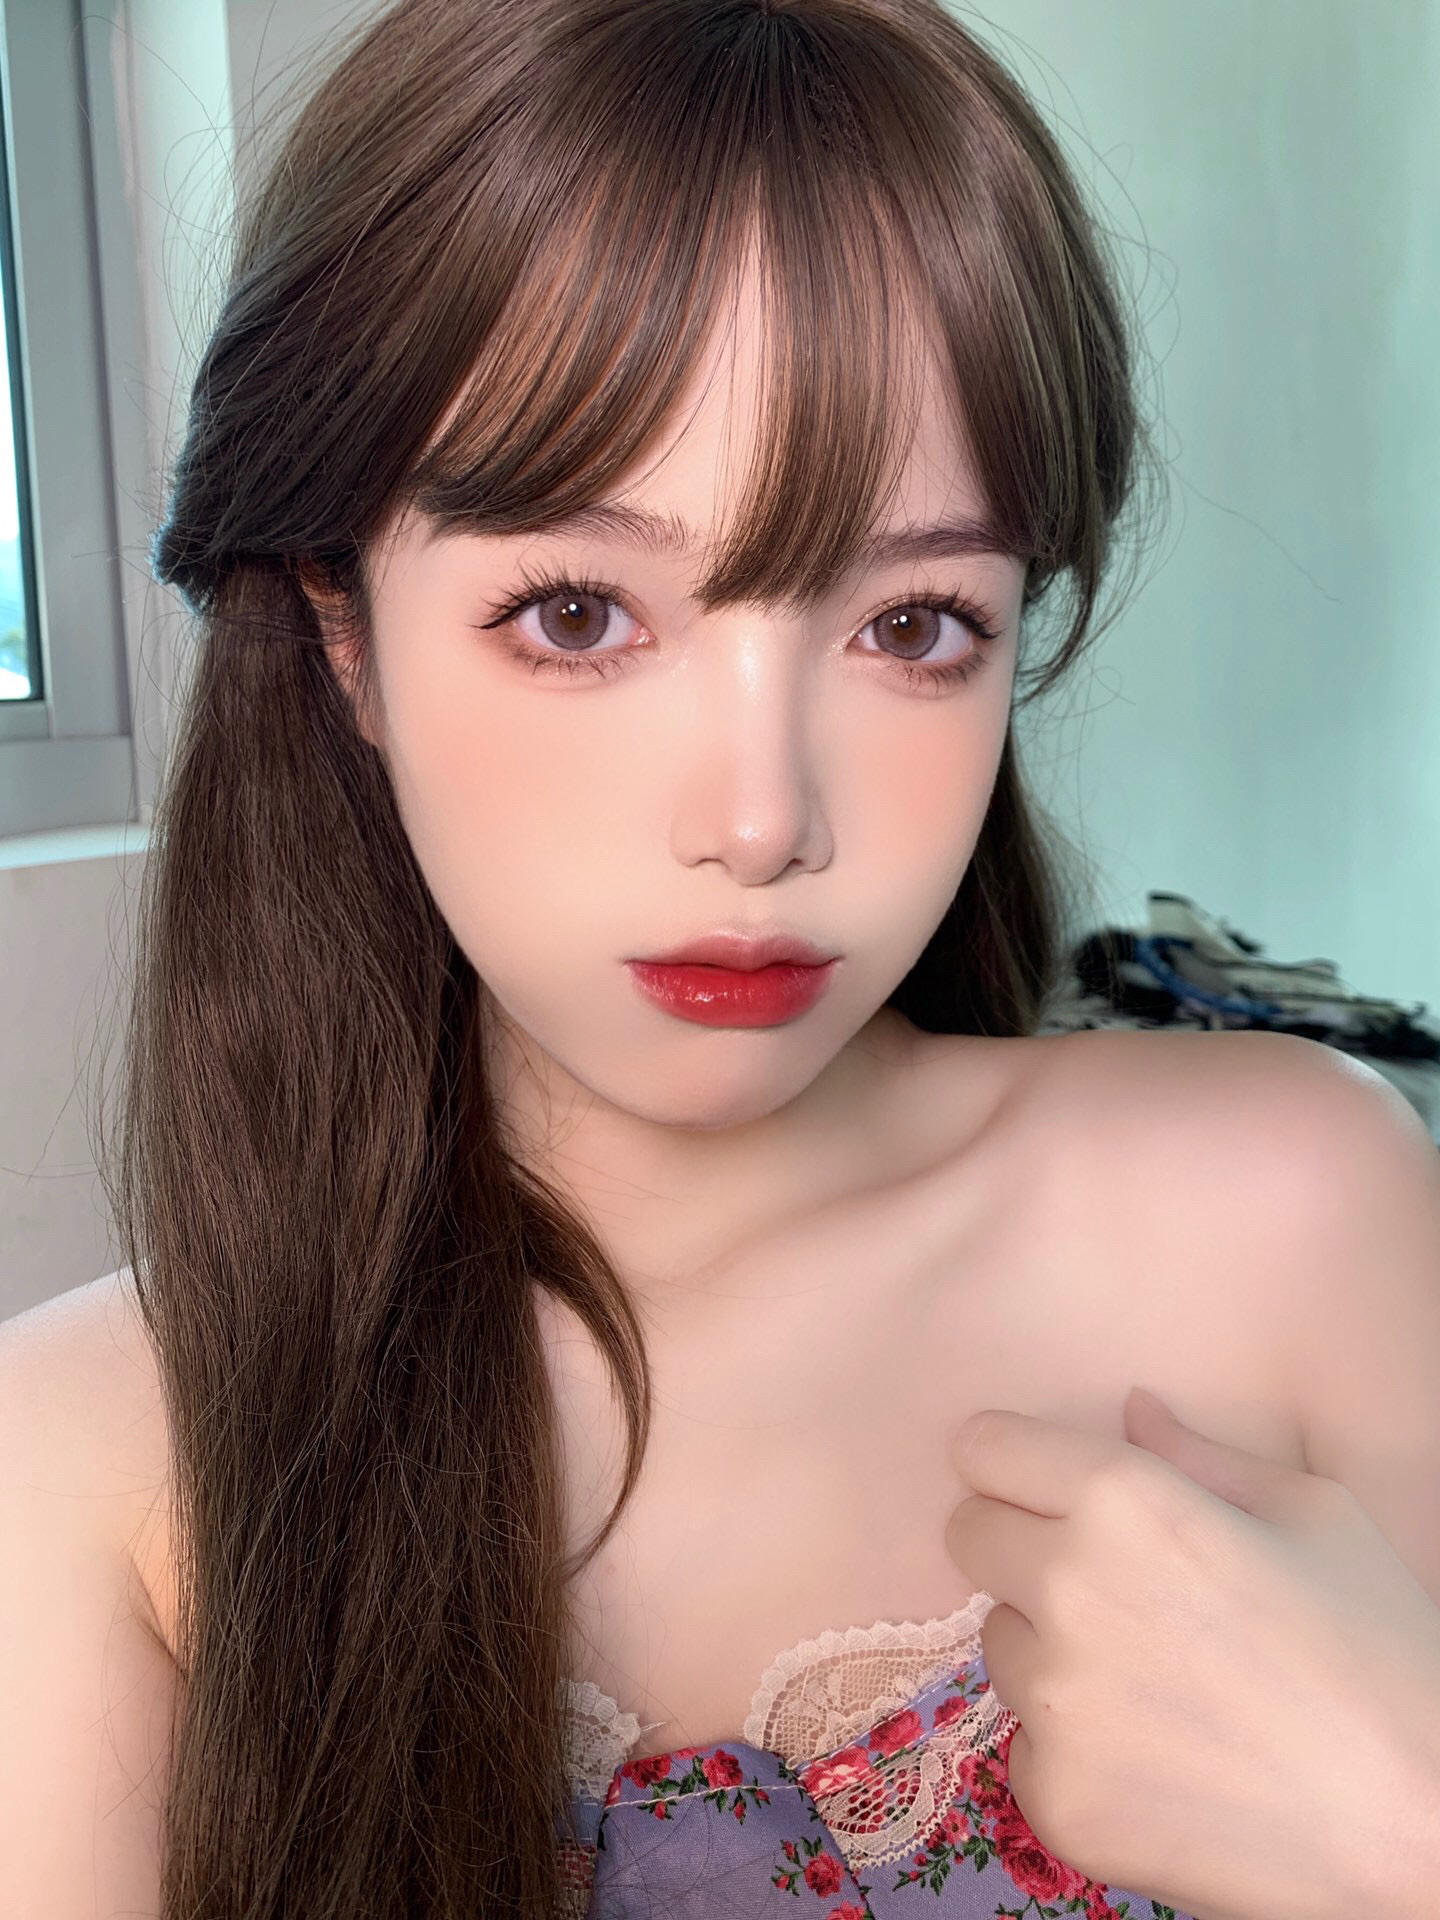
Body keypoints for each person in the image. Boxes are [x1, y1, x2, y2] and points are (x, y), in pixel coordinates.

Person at [2, 0, 1437, 1915]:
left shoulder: (1297, 1216)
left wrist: (1398, 1827)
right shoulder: (87, 1467)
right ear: (343, 633)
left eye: (915, 625)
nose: (765, 821)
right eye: (577, 613)